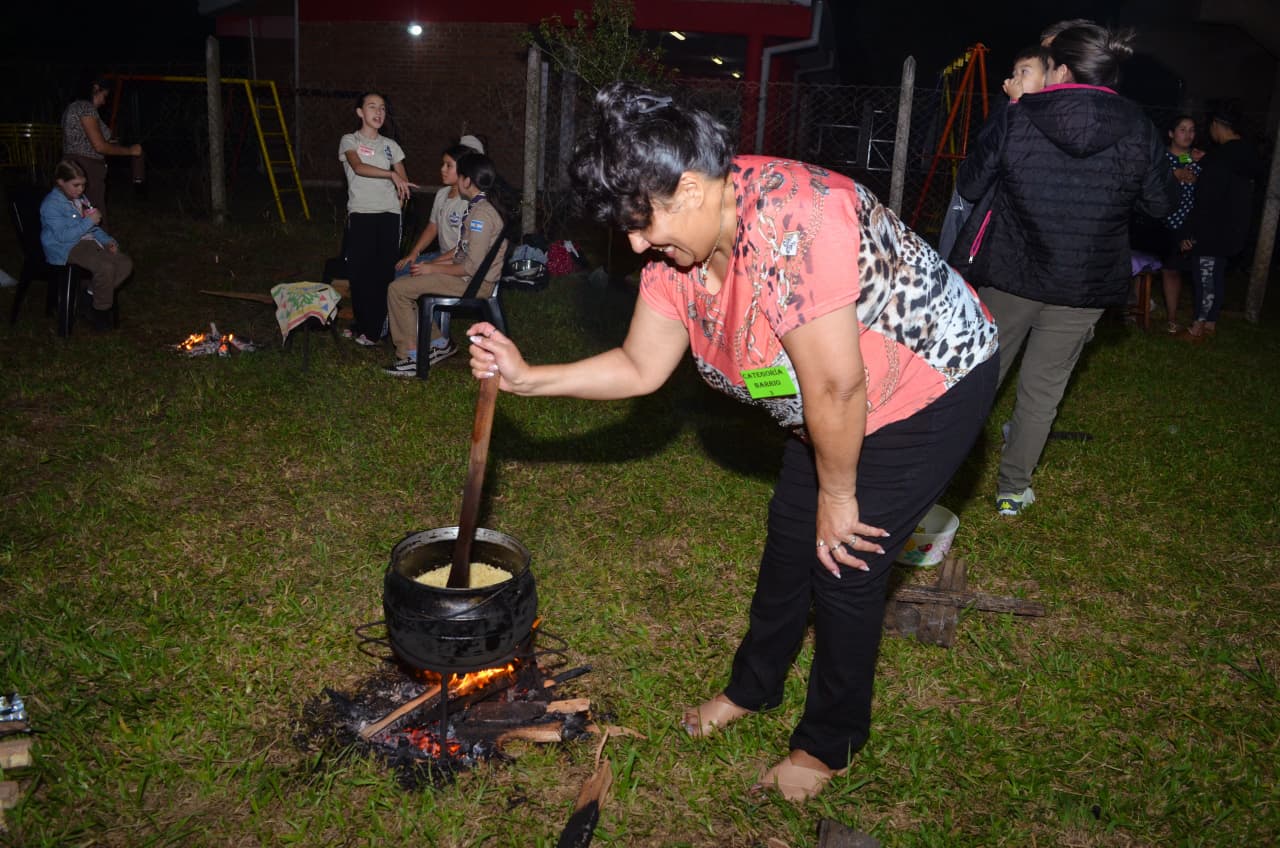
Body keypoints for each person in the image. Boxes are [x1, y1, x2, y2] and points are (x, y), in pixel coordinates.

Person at [467, 82, 999, 801]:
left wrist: (840, 495)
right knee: (789, 542)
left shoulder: (795, 225)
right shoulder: (676, 257)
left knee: (845, 561)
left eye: (641, 220)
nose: (633, 243)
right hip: (831, 401)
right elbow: (639, 366)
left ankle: (828, 744)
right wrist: (529, 379)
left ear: (689, 187)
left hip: (927, 385)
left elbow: (838, 390)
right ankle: (753, 689)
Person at [951, 23, 1178, 516]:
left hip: (1010, 273)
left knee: (978, 380)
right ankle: (1012, 491)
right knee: (1043, 390)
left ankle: (940, 478)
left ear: (1063, 69)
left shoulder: (1021, 115)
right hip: (1084, 281)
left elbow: (970, 185)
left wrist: (1008, 115)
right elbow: (1162, 204)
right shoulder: (1139, 125)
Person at [383, 152, 509, 376]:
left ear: (467, 181)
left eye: (459, 174)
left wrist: (433, 268)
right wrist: (433, 263)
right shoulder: (480, 207)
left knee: (397, 289)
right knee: (409, 282)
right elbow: (463, 253)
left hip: (473, 283)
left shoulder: (481, 215)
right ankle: (438, 343)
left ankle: (411, 356)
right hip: (468, 278)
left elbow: (472, 267)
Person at [938, 45, 1052, 259]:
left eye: (1025, 72)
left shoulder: (1045, 116)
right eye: (1014, 73)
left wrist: (1016, 105)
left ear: (1049, 79)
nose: (1014, 79)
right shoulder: (1007, 106)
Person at [1177, 107, 1261, 342]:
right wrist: (1197, 161)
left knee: (1204, 278)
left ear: (1216, 125)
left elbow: (1207, 199)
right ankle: (1211, 323)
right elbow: (1190, 160)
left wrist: (1192, 233)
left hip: (1212, 230)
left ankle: (1198, 328)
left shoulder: (1220, 159)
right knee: (1215, 276)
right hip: (1234, 228)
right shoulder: (1244, 155)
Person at [339, 91, 415, 346]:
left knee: (383, 273)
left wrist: (400, 191)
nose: (378, 112)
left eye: (382, 108)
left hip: (389, 215)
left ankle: (377, 329)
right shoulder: (349, 140)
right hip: (361, 213)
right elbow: (358, 167)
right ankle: (363, 323)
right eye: (372, 107)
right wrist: (390, 175)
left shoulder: (391, 146)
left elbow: (402, 180)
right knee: (360, 272)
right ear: (360, 112)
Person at [40, 159, 133, 331]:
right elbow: (62, 236)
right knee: (105, 267)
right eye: (76, 185)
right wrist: (88, 222)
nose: (81, 189)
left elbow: (94, 228)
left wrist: (107, 241)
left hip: (89, 242)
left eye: (83, 185)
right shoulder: (51, 205)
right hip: (67, 247)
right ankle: (100, 312)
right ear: (61, 182)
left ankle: (89, 296)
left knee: (124, 264)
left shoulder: (80, 199)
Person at [394, 137, 485, 278]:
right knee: (400, 270)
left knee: (409, 275)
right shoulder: (442, 193)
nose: (442, 169)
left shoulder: (470, 201)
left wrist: (433, 264)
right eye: (443, 164)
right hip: (443, 254)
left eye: (449, 166)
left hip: (461, 260)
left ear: (464, 169)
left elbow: (467, 246)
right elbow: (432, 226)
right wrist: (414, 253)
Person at [61, 77, 144, 221]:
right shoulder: (85, 107)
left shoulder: (74, 108)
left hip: (75, 168)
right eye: (104, 96)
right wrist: (130, 151)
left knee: (79, 214)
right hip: (85, 169)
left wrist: (114, 142)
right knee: (93, 216)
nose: (104, 102)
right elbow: (99, 146)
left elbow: (93, 139)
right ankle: (102, 243)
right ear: (95, 88)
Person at [1157, 115, 1203, 333]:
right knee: (1145, 267)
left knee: (1173, 270)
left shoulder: (1191, 159)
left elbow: (1197, 193)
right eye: (1182, 129)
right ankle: (1135, 308)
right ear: (1171, 133)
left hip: (1185, 224)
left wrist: (1195, 169)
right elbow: (1152, 183)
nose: (1188, 134)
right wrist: (1173, 176)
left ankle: (1172, 318)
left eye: (1191, 130)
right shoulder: (1160, 157)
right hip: (1158, 222)